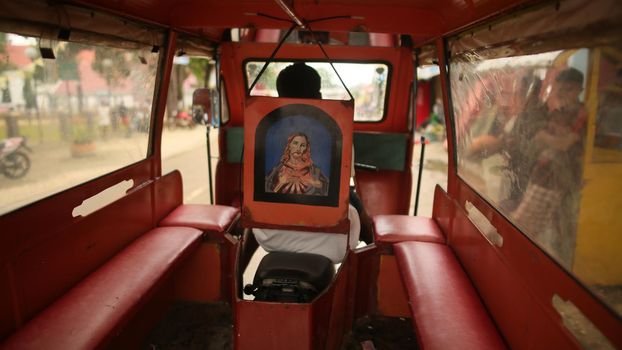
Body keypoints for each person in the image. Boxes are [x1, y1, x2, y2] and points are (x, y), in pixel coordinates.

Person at [510, 67, 587, 265]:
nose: (561, 94)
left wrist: (546, 137)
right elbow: (539, 137)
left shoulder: (582, 114)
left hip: (559, 179)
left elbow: (563, 143)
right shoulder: (557, 111)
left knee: (525, 223)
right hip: (544, 174)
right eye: (558, 90)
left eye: (567, 90)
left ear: (579, 89)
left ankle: (519, 260)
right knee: (539, 227)